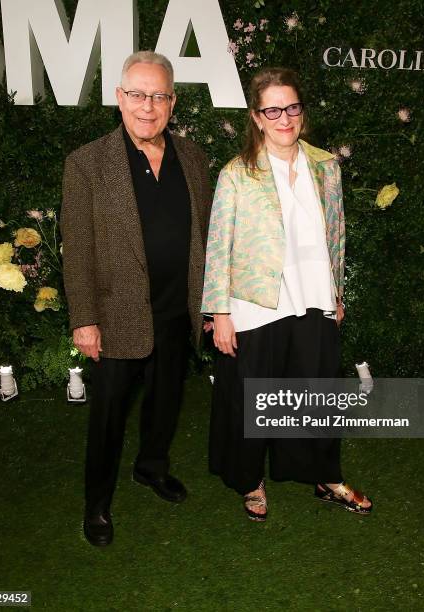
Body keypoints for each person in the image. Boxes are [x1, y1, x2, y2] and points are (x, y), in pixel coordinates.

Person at [201, 67, 372, 521]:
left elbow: (336, 234)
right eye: (272, 109)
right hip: (255, 305)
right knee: (254, 399)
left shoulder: (325, 166)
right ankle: (251, 480)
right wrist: (218, 312)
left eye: (291, 107)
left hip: (314, 298)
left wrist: (336, 292)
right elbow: (219, 244)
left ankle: (324, 475)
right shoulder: (237, 173)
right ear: (256, 117)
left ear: (301, 111)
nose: (284, 118)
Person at [61, 51, 211, 546]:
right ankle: (96, 505)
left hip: (176, 310)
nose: (149, 106)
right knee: (107, 418)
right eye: (139, 94)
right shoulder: (87, 163)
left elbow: (206, 236)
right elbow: (78, 248)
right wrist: (84, 319)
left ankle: (150, 468)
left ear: (172, 101)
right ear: (120, 98)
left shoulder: (193, 158)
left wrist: (209, 305)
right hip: (116, 315)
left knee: (166, 402)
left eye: (160, 96)